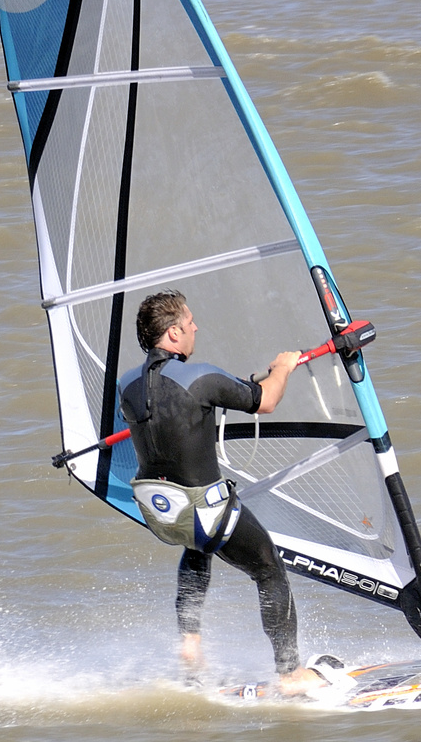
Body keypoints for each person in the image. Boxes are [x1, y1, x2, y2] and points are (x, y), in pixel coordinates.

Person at [119, 288, 324, 694]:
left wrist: (231, 390)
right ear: (174, 334)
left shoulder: (127, 386)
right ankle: (290, 675)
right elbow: (265, 401)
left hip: (162, 513)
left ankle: (189, 642)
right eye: (189, 322)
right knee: (268, 569)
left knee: (195, 546)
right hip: (205, 511)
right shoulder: (202, 378)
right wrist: (283, 367)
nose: (196, 327)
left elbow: (176, 412)